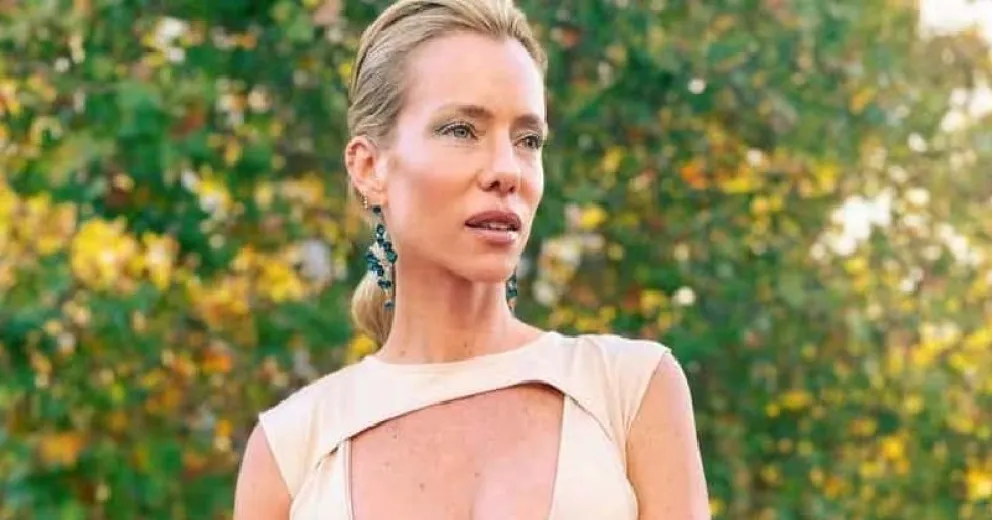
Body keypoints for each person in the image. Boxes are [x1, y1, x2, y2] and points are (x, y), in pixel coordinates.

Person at [233, 0, 710, 518]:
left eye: (528, 140)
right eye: (461, 130)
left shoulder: (631, 390)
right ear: (370, 168)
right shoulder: (291, 450)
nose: (508, 170)